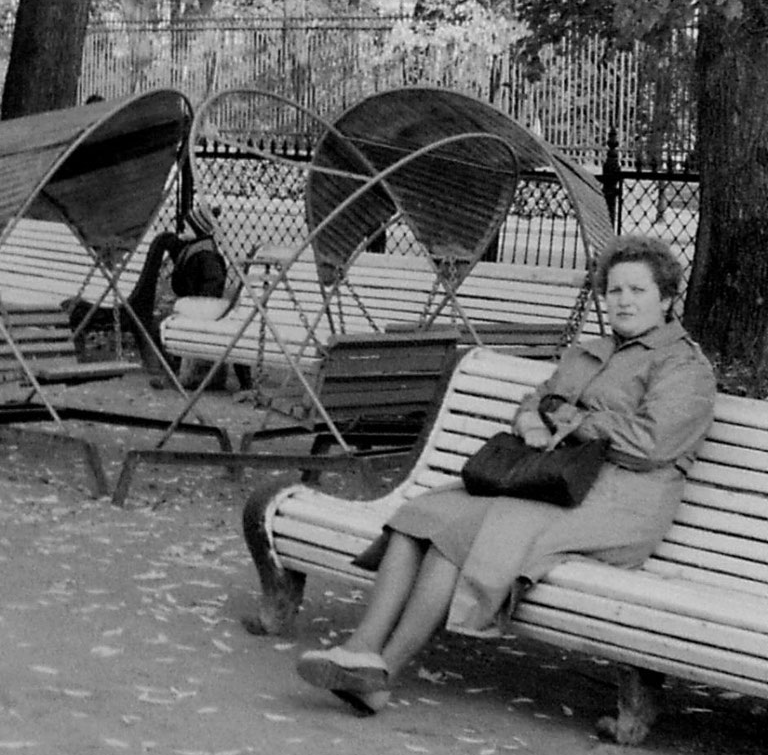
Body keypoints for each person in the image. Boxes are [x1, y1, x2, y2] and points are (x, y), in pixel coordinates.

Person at [296, 234, 715, 715]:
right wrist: (536, 421)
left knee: (464, 534)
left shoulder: (683, 366)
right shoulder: (589, 353)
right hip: (552, 479)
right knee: (423, 515)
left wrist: (575, 421)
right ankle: (360, 648)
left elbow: (651, 445)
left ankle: (383, 671)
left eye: (637, 290)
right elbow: (538, 401)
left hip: (624, 501)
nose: (623, 301)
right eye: (615, 290)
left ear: (665, 297)